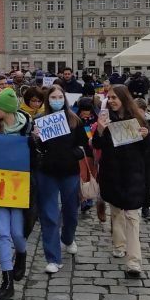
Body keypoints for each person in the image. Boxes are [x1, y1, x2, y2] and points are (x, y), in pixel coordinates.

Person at [93, 85, 149, 278]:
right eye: (109, 98)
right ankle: (119, 244)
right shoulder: (105, 118)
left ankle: (134, 262)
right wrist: (100, 130)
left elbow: (147, 150)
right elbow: (97, 145)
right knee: (116, 211)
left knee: (132, 216)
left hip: (132, 174)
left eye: (114, 97)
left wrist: (145, 137)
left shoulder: (137, 119)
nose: (111, 101)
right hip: (112, 173)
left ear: (124, 98)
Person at [33, 85, 88, 275]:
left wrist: (76, 152)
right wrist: (35, 138)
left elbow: (84, 144)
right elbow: (37, 148)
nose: (56, 100)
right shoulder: (40, 120)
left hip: (69, 172)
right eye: (53, 97)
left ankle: (68, 237)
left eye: (59, 97)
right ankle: (53, 258)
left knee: (71, 212)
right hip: (47, 172)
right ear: (47, 100)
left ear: (64, 99)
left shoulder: (74, 120)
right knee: (49, 215)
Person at [0, 86, 33, 300]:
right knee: (2, 233)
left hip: (21, 188)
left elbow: (39, 158)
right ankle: (6, 280)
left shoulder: (29, 128)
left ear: (6, 108)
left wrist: (35, 144)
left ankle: (21, 254)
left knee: (17, 233)